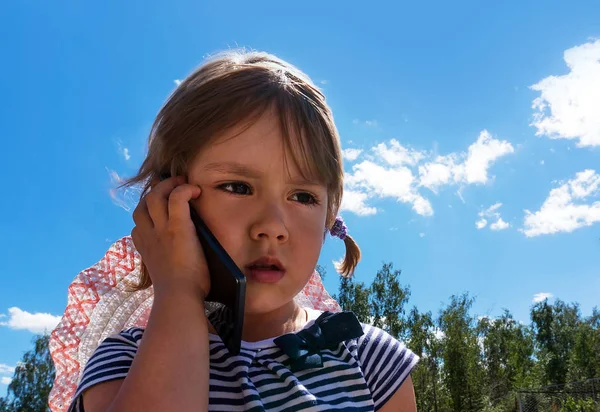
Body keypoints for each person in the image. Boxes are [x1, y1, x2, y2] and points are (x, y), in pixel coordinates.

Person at [49, 49, 419, 412]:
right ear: (170, 201)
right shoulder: (123, 363)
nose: (273, 228)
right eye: (238, 187)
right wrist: (178, 290)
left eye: (303, 196)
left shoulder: (373, 361)